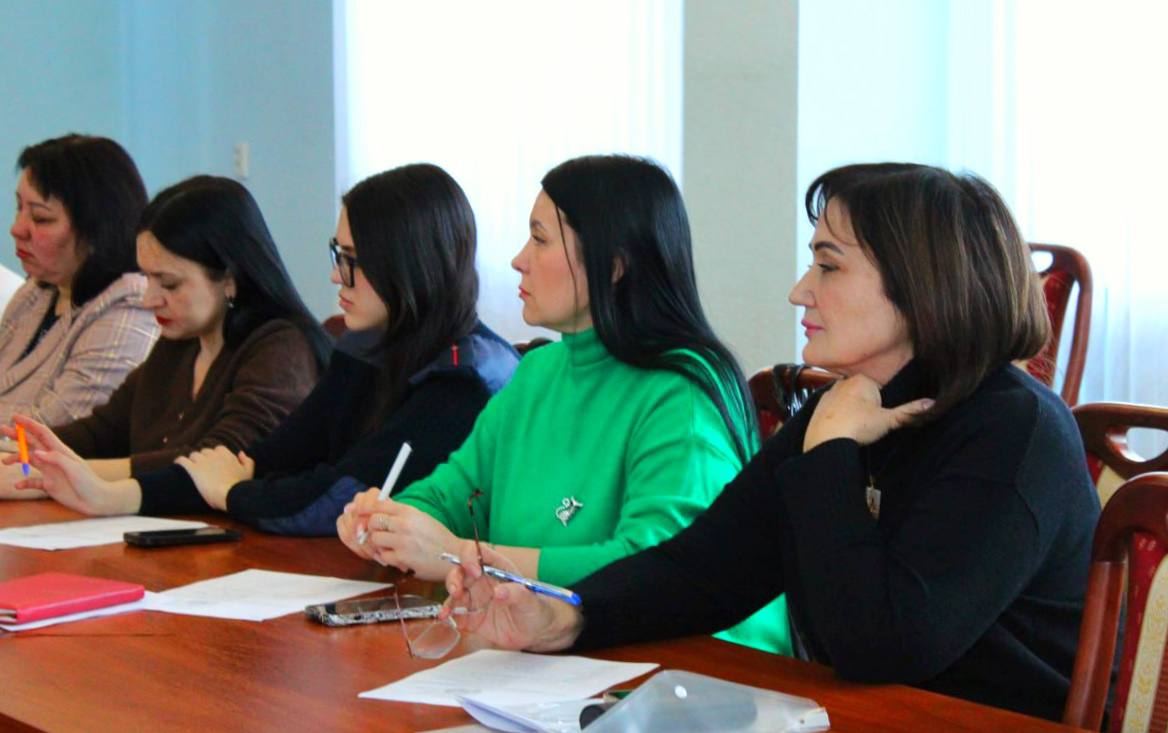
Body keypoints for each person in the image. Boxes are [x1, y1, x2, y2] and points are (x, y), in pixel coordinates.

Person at [440, 163, 1099, 722]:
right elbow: (705, 569)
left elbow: (883, 644)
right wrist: (570, 616)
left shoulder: (1013, 430)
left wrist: (834, 454)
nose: (799, 291)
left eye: (828, 266)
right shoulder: (847, 407)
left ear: (922, 286)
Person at [337, 155, 791, 655]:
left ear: (613, 265)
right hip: (552, 654)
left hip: (693, 665)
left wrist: (460, 555)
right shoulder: (539, 371)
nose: (519, 259)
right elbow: (451, 495)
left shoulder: (681, 391)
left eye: (540, 239)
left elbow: (657, 567)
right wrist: (390, 523)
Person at [13, 164, 518, 532]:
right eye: (337, 254)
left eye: (350, 259)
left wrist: (231, 493)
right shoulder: (366, 345)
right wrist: (117, 495)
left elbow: (337, 496)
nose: (334, 277)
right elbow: (268, 458)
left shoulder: (463, 380)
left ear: (405, 265)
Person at [3, 175, 328, 501]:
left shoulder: (282, 348)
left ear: (230, 279)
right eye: (147, 278)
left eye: (169, 284)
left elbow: (220, 463)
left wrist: (64, 473)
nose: (149, 299)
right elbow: (102, 431)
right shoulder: (180, 343)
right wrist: (21, 451)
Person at [1, 134, 157, 427]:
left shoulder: (132, 306)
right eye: (19, 208)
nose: (17, 229)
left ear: (97, 230)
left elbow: (56, 429)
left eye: (41, 218)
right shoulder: (37, 291)